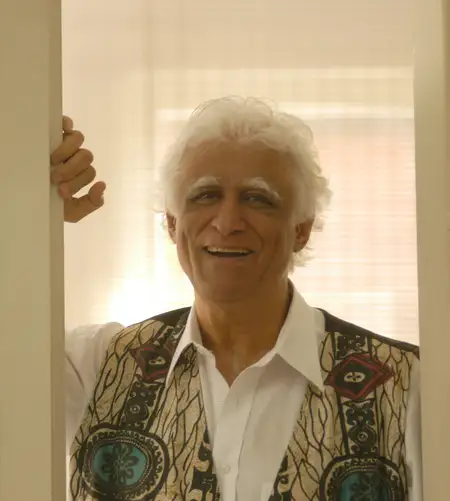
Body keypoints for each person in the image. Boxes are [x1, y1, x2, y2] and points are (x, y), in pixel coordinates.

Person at [50, 96, 421, 501]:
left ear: (301, 229)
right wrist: (32, 205)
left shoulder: (409, 386)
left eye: (258, 198)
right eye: (205, 195)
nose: (227, 223)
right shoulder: (95, 367)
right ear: (172, 224)